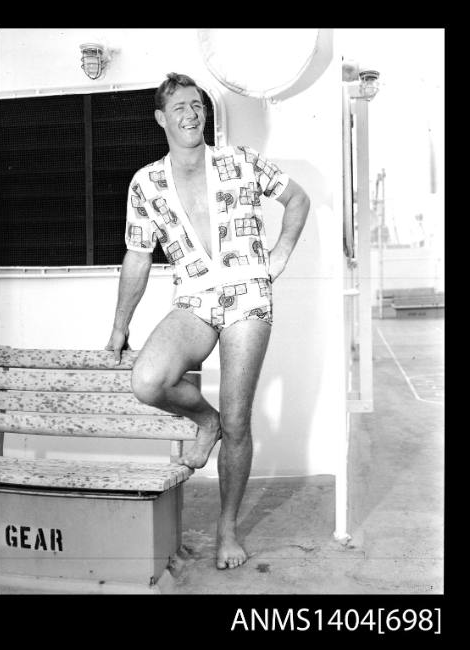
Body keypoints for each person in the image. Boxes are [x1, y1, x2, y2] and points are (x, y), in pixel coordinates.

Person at [106, 73, 310, 570]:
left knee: (240, 420)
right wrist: (118, 327)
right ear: (161, 118)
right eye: (179, 107)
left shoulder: (238, 160)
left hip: (247, 298)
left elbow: (297, 198)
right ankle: (205, 420)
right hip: (194, 299)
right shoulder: (146, 183)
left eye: (196, 105)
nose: (191, 114)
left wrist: (279, 254)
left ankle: (227, 529)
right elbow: (137, 257)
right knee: (148, 381)